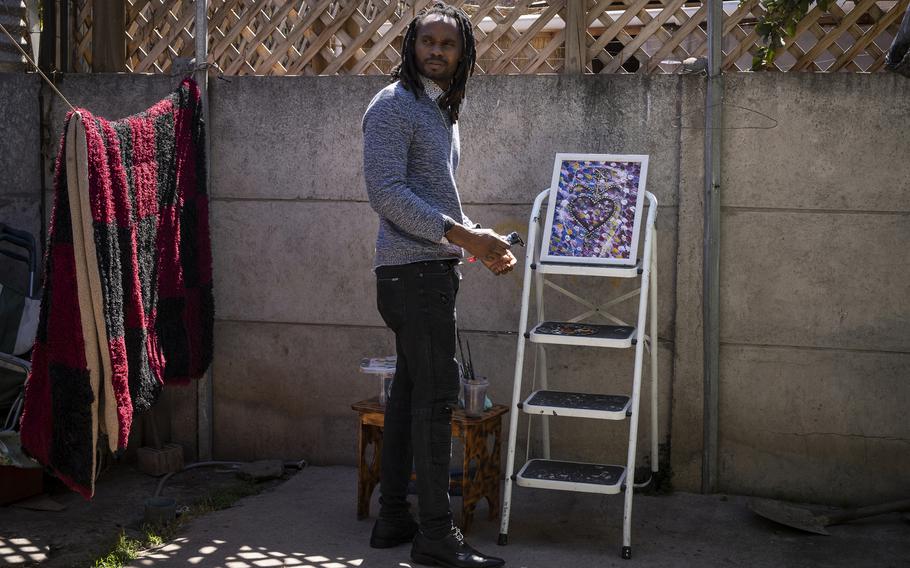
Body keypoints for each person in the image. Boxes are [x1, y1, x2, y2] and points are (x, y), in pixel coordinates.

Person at [361, 3, 514, 567]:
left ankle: (394, 518)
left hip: (429, 270)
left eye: (447, 44)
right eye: (427, 41)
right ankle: (434, 534)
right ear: (410, 45)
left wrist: (478, 243)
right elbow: (388, 194)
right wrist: (465, 238)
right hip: (410, 274)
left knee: (407, 394)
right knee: (436, 400)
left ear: (463, 52)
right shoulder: (393, 106)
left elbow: (435, 198)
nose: (436, 52)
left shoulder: (441, 110)